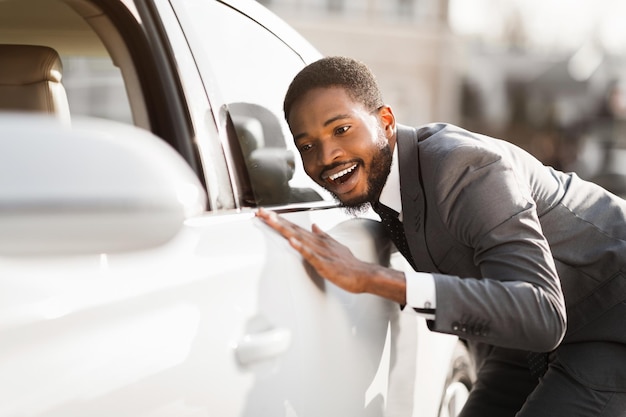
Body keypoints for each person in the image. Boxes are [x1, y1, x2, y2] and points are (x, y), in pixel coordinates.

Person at [256, 56, 626, 416]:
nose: (326, 155)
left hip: (610, 321)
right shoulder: (391, 184)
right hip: (523, 343)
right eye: (307, 146)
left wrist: (375, 278)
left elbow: (541, 312)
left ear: (385, 121)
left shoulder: (463, 168)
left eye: (341, 129)